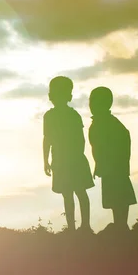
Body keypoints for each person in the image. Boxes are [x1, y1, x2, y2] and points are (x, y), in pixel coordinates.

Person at [43, 76, 94, 232]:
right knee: (69, 194)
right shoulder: (51, 116)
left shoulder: (72, 115)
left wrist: (75, 157)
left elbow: (80, 140)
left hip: (72, 160)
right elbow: (47, 140)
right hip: (62, 160)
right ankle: (73, 227)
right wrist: (46, 161)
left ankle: (84, 225)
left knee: (78, 193)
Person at [88, 86, 137, 231]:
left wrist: (109, 162)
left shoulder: (108, 123)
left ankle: (121, 226)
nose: (91, 105)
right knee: (115, 198)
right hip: (110, 167)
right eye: (90, 102)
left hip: (115, 167)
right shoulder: (101, 122)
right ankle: (120, 225)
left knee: (118, 198)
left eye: (94, 102)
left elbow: (116, 143)